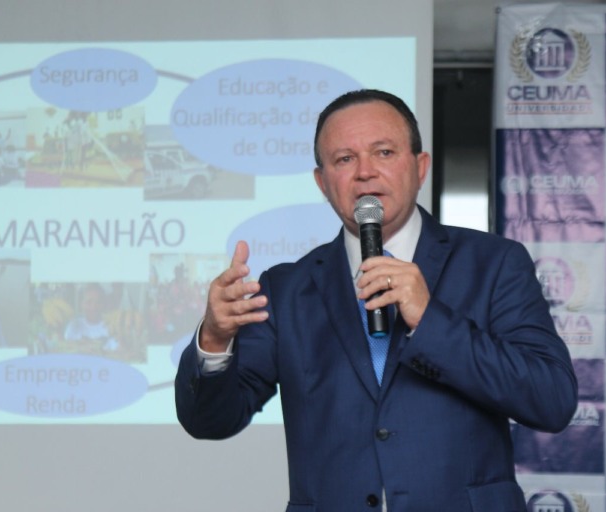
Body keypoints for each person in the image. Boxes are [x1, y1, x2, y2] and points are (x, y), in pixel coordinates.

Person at [175, 89, 578, 512]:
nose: (365, 173)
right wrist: (216, 340)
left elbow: (551, 401)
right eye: (344, 159)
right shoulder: (285, 289)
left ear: (420, 167)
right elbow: (210, 421)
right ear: (322, 182)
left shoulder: (494, 264)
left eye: (383, 152)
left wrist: (430, 320)